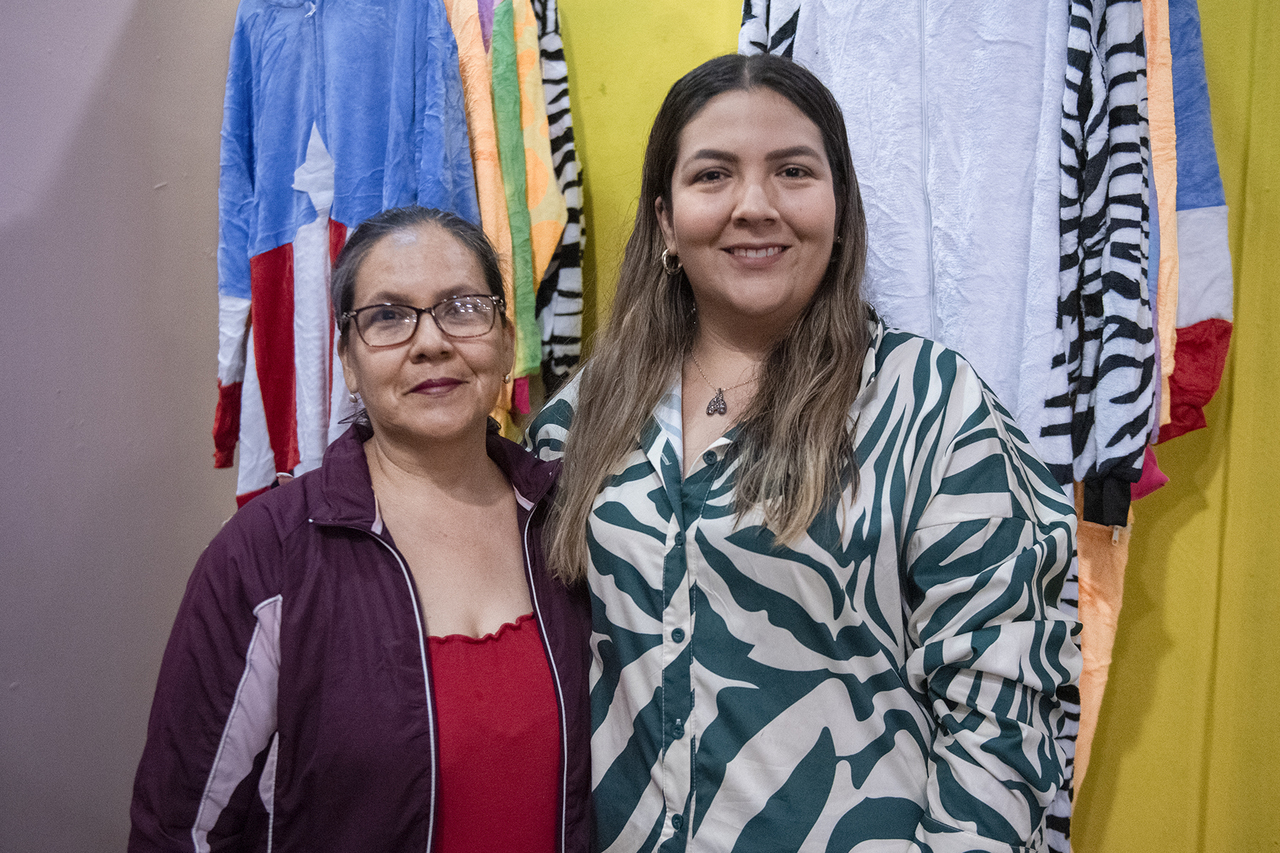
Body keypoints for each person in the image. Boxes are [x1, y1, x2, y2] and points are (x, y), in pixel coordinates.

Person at [529, 54, 1081, 852]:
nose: (755, 206)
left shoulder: (931, 406)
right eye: (713, 175)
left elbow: (1004, 722)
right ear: (665, 222)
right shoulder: (583, 416)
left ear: (840, 206)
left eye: (792, 171)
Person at [131, 207, 591, 853]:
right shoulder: (268, 555)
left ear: (507, 340)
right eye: (389, 317)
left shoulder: (570, 521)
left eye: (462, 308)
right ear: (348, 360)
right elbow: (180, 829)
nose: (431, 342)